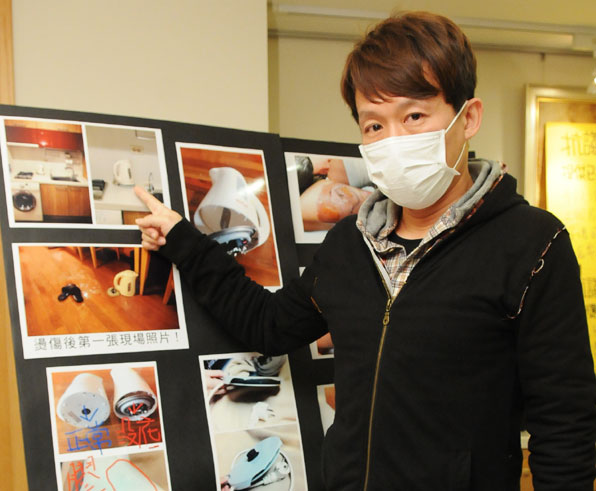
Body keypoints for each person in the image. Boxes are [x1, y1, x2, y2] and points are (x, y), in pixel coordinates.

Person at [134, 11, 596, 491]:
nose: (393, 140)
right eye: (374, 125)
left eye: (414, 116)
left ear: (468, 118)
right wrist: (183, 240)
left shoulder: (532, 244)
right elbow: (267, 324)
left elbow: (565, 424)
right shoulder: (350, 245)